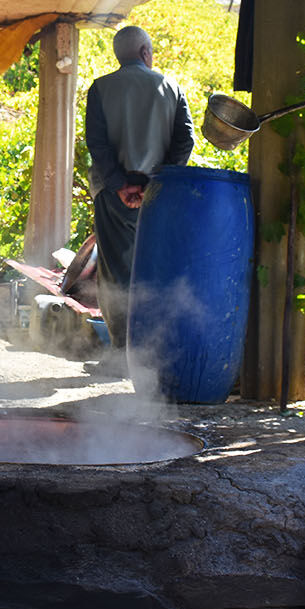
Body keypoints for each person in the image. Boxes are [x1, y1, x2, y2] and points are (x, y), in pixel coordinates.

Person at [84, 25, 195, 372]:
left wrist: (120, 184)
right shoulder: (171, 87)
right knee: (155, 268)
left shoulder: (101, 88)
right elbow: (185, 140)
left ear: (119, 55)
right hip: (159, 195)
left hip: (112, 196)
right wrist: (154, 182)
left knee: (116, 272)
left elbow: (97, 144)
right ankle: (154, 354)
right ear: (146, 52)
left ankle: (121, 355)